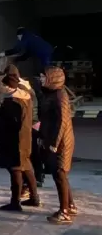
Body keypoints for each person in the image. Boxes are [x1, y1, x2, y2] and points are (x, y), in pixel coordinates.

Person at [0, 72, 40, 211]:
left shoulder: (11, 102)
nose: (0, 86)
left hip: (13, 141)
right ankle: (34, 198)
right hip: (25, 139)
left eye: (2, 84)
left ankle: (15, 202)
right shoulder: (26, 98)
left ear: (8, 87)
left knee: (15, 170)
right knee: (27, 168)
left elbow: (8, 124)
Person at [39, 66, 78, 224]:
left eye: (43, 77)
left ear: (52, 78)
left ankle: (64, 212)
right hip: (53, 139)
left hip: (61, 142)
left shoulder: (60, 95)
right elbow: (48, 119)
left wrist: (55, 142)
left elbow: (62, 121)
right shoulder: (50, 94)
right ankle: (70, 205)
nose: (41, 79)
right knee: (59, 174)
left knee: (60, 174)